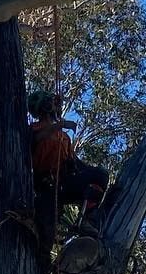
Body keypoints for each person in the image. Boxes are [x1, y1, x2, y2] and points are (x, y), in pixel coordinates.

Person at [27, 89, 108, 240]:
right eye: (52, 103)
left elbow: (75, 163)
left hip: (64, 183)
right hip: (44, 186)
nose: (56, 107)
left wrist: (92, 176)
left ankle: (88, 219)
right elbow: (37, 139)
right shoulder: (34, 129)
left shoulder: (63, 137)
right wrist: (61, 125)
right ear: (44, 106)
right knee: (45, 235)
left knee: (100, 175)